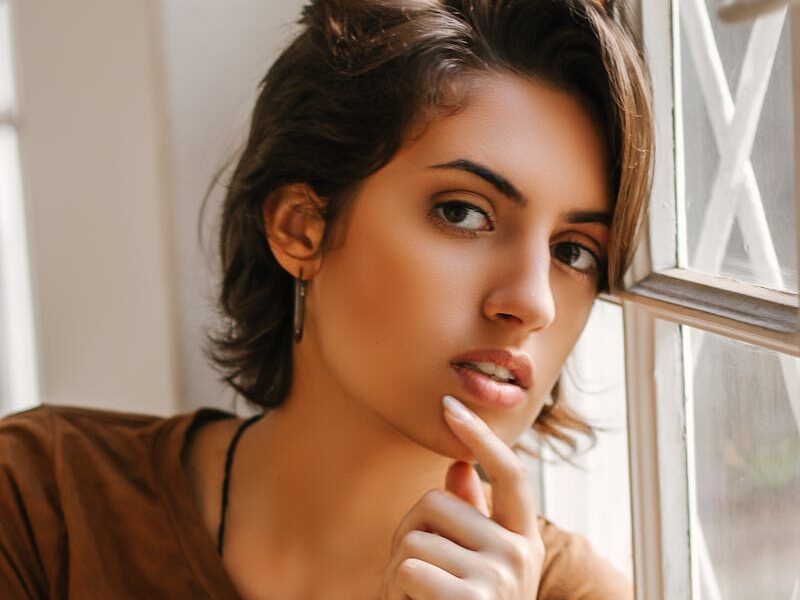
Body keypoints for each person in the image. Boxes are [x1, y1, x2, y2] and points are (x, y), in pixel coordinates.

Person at [0, 0, 653, 597]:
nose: (532, 301)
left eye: (574, 252)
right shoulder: (42, 502)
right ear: (300, 228)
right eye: (462, 212)